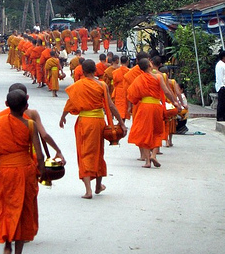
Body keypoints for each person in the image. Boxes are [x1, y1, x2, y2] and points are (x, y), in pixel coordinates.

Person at [0, 89, 46, 254]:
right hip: (25, 171)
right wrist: (40, 172)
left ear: (6, 105)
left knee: (8, 208)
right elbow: (39, 156)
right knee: (24, 212)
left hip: (6, 172)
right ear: (26, 106)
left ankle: (7, 245)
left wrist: (2, 156)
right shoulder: (30, 125)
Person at [59, 59, 127, 199]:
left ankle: (88, 190)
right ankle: (98, 185)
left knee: (84, 152)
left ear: (82, 71)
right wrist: (121, 122)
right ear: (95, 71)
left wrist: (63, 116)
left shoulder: (78, 85)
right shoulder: (101, 85)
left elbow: (70, 103)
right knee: (98, 152)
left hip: (84, 122)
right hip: (98, 122)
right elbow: (111, 106)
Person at [0, 83, 66, 165]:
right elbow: (44, 135)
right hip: (30, 155)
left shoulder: (1, 117)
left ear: (7, 102)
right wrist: (58, 150)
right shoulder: (32, 114)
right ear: (27, 97)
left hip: (8, 158)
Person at [127, 59, 180, 168]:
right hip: (156, 106)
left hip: (144, 107)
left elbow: (132, 95)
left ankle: (147, 161)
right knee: (157, 130)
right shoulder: (158, 77)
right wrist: (174, 102)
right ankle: (154, 155)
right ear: (150, 65)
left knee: (145, 132)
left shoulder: (139, 79)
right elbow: (166, 91)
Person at [112, 55, 130, 120]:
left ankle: (120, 121)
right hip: (126, 90)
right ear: (127, 62)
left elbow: (114, 82)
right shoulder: (129, 72)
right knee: (125, 106)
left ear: (120, 61)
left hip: (119, 91)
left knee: (119, 106)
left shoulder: (116, 72)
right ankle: (122, 121)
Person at [215, 50, 225, 121]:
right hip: (222, 86)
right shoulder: (221, 65)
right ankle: (220, 117)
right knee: (222, 103)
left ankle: (221, 116)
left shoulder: (220, 64)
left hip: (221, 85)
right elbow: (221, 77)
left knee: (222, 103)